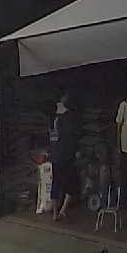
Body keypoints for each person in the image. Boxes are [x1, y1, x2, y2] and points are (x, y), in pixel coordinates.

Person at [49, 91, 81, 221]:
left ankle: (55, 213)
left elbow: (53, 137)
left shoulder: (56, 119)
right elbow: (74, 137)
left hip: (57, 156)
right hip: (67, 156)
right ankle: (63, 210)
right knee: (71, 184)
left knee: (55, 184)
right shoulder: (72, 118)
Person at [116, 95, 127, 209]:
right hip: (125, 147)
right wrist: (118, 144)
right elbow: (118, 126)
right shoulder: (124, 106)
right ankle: (123, 203)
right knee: (124, 175)